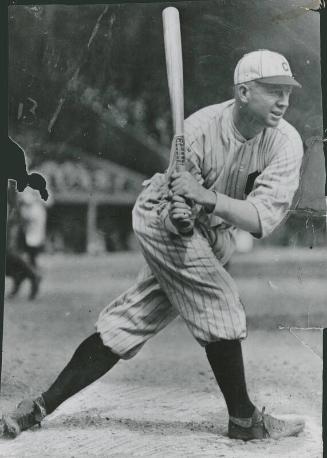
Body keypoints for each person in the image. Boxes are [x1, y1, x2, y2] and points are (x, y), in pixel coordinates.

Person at [1, 50, 305, 441]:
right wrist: (179, 216)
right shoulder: (199, 128)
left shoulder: (286, 142)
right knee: (220, 300)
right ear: (244, 92)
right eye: (273, 90)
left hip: (214, 231)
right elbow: (172, 208)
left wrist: (203, 200)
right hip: (159, 216)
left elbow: (262, 220)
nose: (283, 100)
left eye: (288, 91)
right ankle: (244, 420)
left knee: (129, 321)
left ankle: (40, 405)